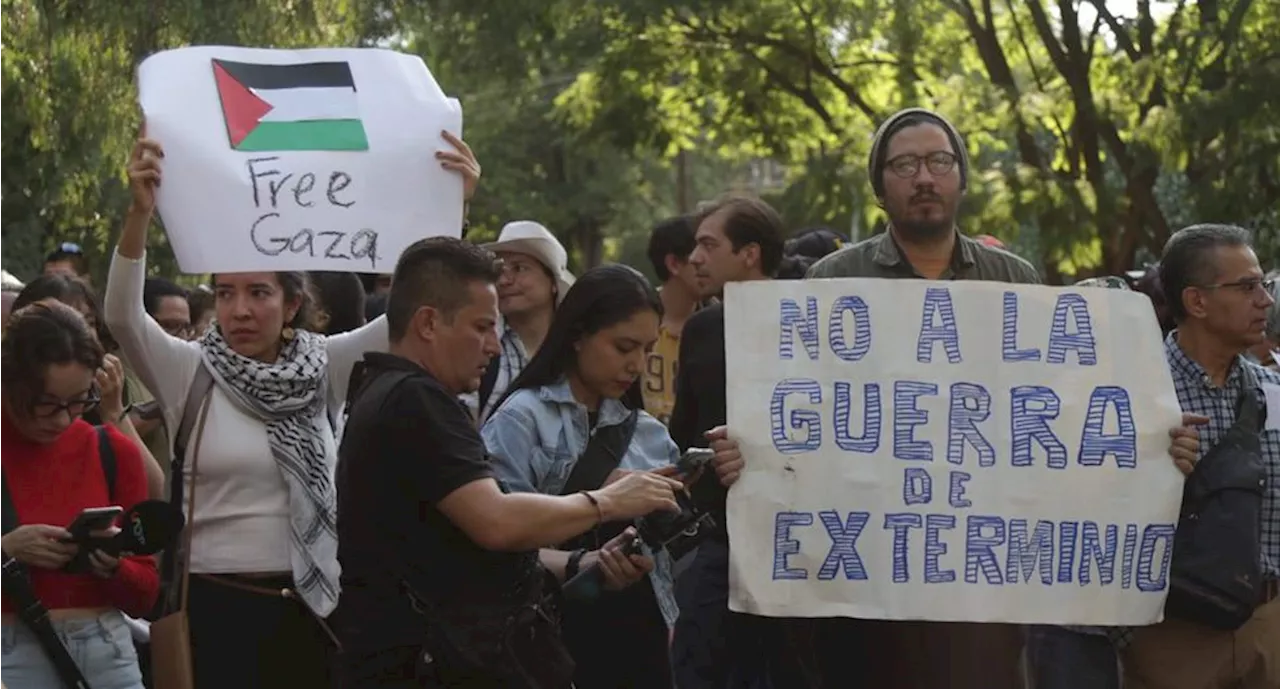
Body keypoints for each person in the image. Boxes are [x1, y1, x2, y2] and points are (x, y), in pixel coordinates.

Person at [105, 130, 478, 687]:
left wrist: (453, 210)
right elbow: (121, 316)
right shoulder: (189, 369)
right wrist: (138, 214)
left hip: (314, 612)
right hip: (213, 610)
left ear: (293, 303)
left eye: (259, 292)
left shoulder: (325, 364)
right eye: (226, 292)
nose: (241, 310)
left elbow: (407, 309)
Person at [333, 237, 688, 688]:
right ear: (428, 323)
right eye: (482, 327)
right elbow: (497, 523)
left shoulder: (392, 391)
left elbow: (485, 552)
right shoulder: (414, 400)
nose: (495, 347)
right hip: (420, 662)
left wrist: (580, 563)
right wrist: (608, 500)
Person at [482, 264, 684, 688]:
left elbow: (674, 545)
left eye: (647, 349)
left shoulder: (649, 432)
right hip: (547, 637)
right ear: (577, 335)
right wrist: (584, 546)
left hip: (639, 641)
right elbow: (496, 540)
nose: (637, 365)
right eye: (624, 346)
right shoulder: (522, 419)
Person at [1120, 224, 1280, 688]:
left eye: (1263, 285)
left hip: (1268, 628)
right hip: (1172, 637)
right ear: (1197, 302)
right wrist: (1146, 460)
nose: (1265, 302)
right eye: (1247, 287)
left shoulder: (1273, 392)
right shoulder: (1129, 397)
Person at [669, 193, 812, 688]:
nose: (694, 258)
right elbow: (683, 433)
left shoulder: (812, 321)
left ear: (750, 253)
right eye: (694, 246)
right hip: (721, 539)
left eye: (709, 244)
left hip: (804, 543)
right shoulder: (703, 329)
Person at [0, 300, 158, 688]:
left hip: (107, 648)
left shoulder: (112, 450)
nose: (62, 418)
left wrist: (111, 566)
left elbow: (147, 594)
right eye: (46, 404)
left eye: (78, 401)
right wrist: (7, 550)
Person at [464, 221, 575, 423]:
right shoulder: (478, 346)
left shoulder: (576, 351)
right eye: (499, 270)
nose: (504, 281)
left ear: (553, 283)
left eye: (519, 268)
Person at [643, 216, 700, 424]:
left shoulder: (719, 327)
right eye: (698, 253)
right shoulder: (634, 322)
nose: (706, 263)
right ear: (674, 263)